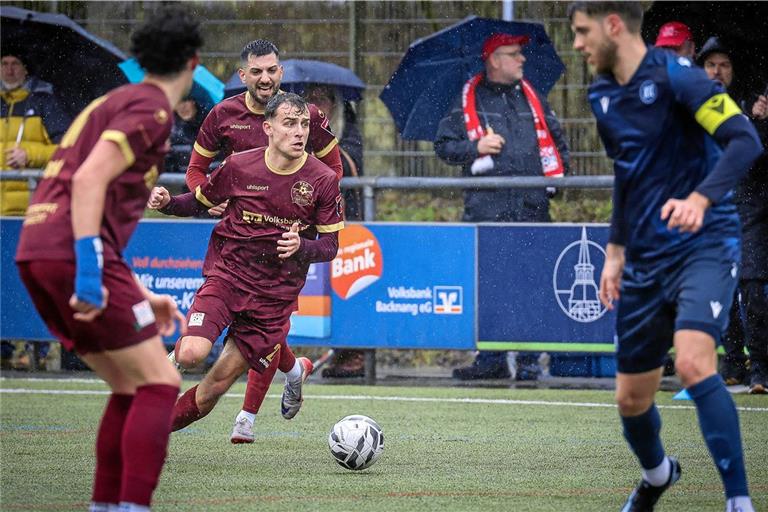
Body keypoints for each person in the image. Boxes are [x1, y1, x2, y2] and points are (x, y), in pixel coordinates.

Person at [569, 2, 762, 511]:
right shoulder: (602, 94)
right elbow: (627, 174)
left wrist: (700, 198)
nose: (578, 44)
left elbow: (744, 140)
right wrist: (614, 251)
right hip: (646, 256)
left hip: (705, 243)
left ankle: (738, 501)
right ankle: (657, 475)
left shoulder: (680, 77)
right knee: (631, 399)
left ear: (614, 25)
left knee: (695, 364)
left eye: (583, 31)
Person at [13, 6, 201, 511]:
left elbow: (89, 203)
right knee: (160, 383)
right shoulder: (153, 111)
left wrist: (140, 293)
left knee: (129, 385)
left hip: (37, 249)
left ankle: (107, 505)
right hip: (69, 252)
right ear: (193, 62)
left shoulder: (116, 99)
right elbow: (89, 179)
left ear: (140, 59)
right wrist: (89, 272)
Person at [147, 92, 343, 438]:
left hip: (273, 298)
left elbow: (330, 246)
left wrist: (302, 247)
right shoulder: (238, 166)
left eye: (303, 124)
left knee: (213, 389)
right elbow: (198, 202)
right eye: (289, 123)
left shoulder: (323, 180)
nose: (299, 132)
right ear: (268, 128)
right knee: (191, 353)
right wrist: (167, 204)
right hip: (228, 276)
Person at [434, 32, 570, 381]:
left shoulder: (533, 97)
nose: (522, 59)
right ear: (494, 59)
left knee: (532, 283)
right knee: (490, 286)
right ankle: (490, 359)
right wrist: (476, 147)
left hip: (532, 208)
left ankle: (529, 361)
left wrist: (554, 183)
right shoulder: (467, 98)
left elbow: (558, 142)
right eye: (514, 53)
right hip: (487, 209)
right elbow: (444, 146)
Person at [697, 37, 768, 393]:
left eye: (724, 65)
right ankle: (734, 363)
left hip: (751, 209)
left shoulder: (751, 105)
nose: (717, 71)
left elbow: (756, 156)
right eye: (711, 65)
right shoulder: (690, 105)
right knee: (719, 289)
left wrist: (761, 123)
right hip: (711, 211)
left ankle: (761, 367)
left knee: (753, 289)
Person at [304, 83, 367, 378]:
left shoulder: (347, 128)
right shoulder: (293, 128)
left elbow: (349, 164)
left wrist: (324, 146)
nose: (318, 105)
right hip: (305, 216)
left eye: (323, 100)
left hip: (345, 216)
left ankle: (352, 351)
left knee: (349, 283)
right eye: (311, 100)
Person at [1, 48, 71, 215]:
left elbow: (67, 150)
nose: (9, 70)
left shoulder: (45, 104)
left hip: (31, 211)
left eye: (15, 64)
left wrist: (29, 155)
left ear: (26, 69)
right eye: (4, 64)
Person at [164, 97, 204, 174]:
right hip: (180, 178)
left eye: (185, 100)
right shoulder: (169, 130)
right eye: (177, 103)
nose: (182, 107)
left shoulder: (211, 123)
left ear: (193, 101)